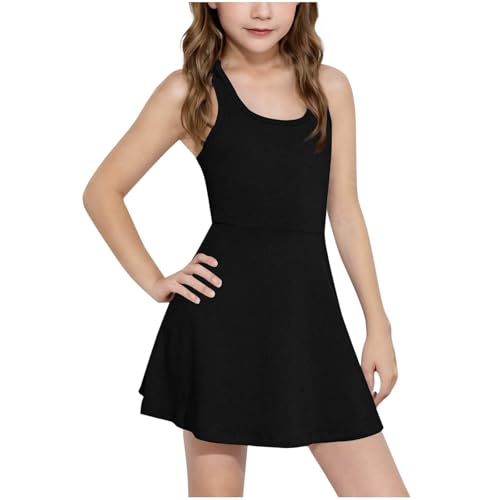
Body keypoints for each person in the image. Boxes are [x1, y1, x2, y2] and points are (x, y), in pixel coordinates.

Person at [83, 2, 409, 497]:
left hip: (309, 320)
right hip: (219, 324)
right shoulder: (190, 92)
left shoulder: (330, 88)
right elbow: (102, 191)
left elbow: (344, 211)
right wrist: (155, 280)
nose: (262, 11)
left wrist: (377, 324)